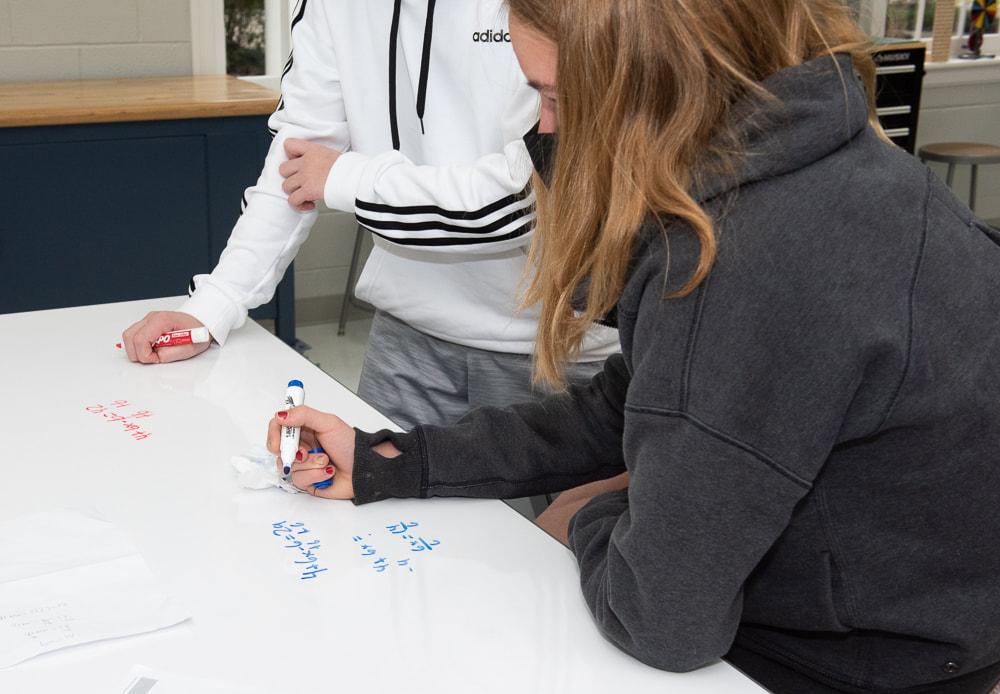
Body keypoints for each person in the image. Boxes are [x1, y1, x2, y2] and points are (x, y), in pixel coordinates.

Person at [264, 0, 1000, 692]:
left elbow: (661, 616)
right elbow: (635, 399)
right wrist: (400, 462)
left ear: (649, 86)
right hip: (915, 617)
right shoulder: (829, 164)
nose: (542, 132)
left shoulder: (746, 259)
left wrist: (591, 509)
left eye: (552, 99)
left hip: (843, 667)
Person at [119, 0, 619, 429]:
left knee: (567, 541)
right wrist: (215, 304)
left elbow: (525, 197)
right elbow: (296, 159)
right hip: (408, 337)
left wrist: (344, 178)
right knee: (382, 532)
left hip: (564, 350)